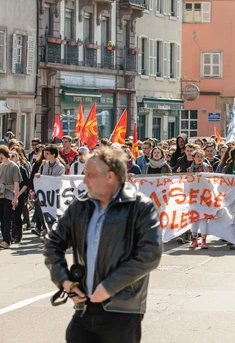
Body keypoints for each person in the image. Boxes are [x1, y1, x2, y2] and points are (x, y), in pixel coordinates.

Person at [43, 147, 163, 343]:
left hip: (122, 311)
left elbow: (150, 254)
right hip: (84, 310)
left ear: (110, 177)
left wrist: (109, 286)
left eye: (90, 175)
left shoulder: (140, 206)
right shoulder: (80, 206)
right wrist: (64, 281)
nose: (84, 181)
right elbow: (52, 244)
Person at [0, 146, 24, 248]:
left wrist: (15, 197)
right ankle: (4, 239)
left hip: (9, 194)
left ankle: (7, 240)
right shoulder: (0, 166)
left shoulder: (14, 166)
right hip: (1, 193)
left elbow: (16, 183)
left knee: (7, 218)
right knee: (1, 218)